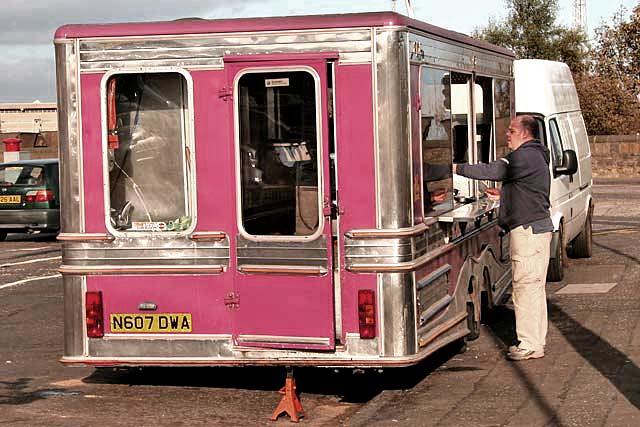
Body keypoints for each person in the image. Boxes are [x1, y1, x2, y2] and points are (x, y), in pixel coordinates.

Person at [453, 115, 552, 361]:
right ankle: (535, 341)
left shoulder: (524, 156)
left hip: (528, 232)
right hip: (536, 229)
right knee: (534, 288)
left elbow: (494, 169)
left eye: (511, 130)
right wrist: (505, 194)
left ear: (525, 133)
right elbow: (525, 188)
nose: (507, 134)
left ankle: (529, 344)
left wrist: (455, 168)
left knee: (526, 287)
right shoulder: (534, 155)